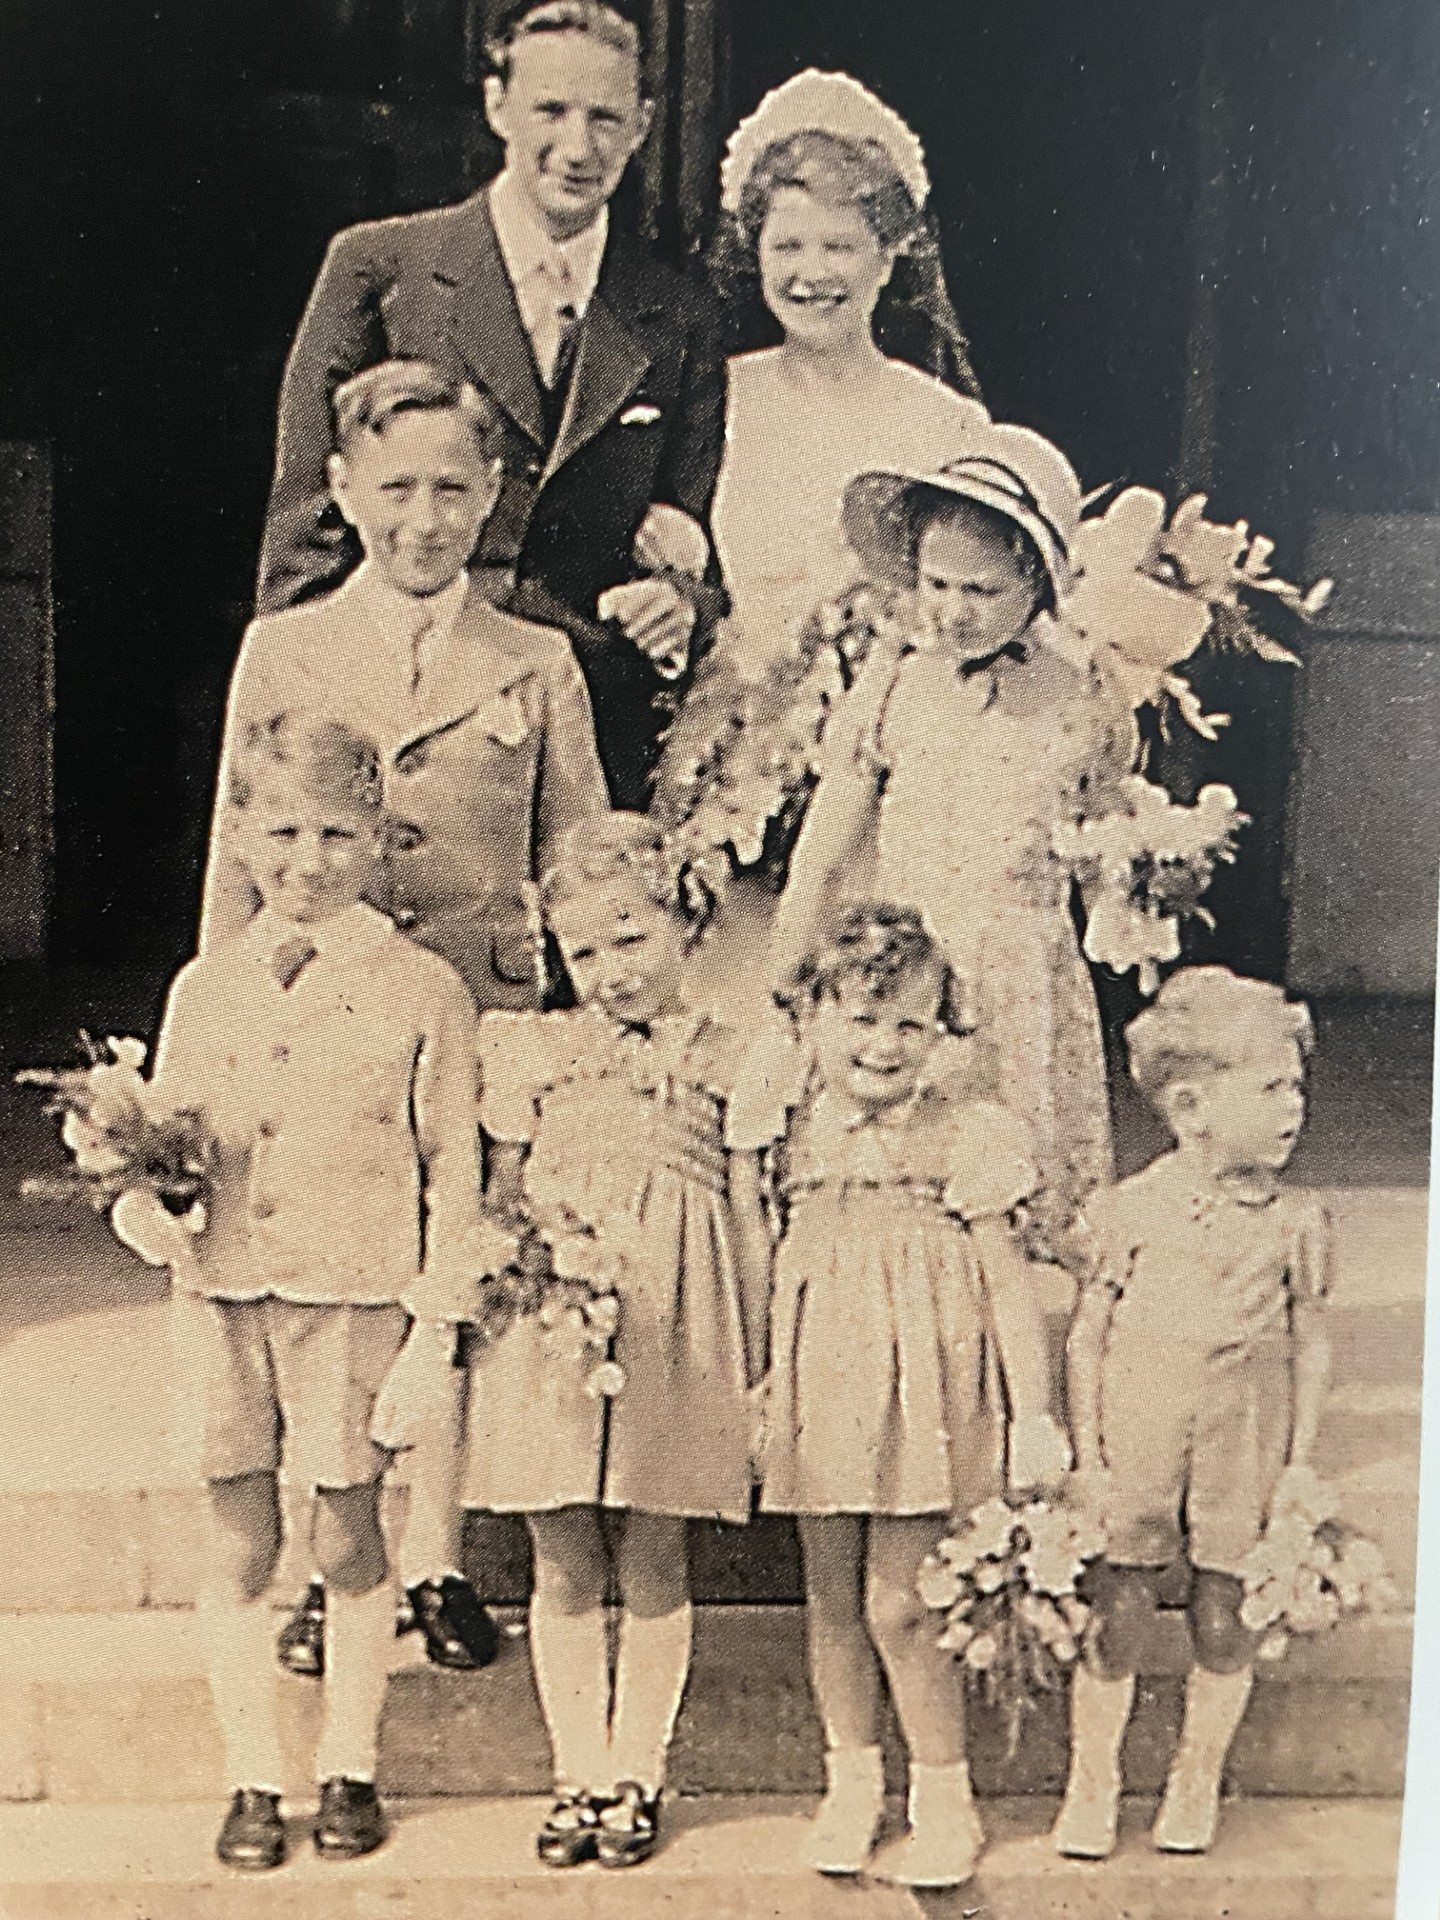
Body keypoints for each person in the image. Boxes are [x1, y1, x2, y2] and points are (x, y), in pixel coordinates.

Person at [201, 359, 609, 1681]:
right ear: (341, 491)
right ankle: (339, 1562)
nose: (423, 519)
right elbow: (236, 849)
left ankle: (436, 1559)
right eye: (394, 489)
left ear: (493, 494)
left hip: (482, 1011)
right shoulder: (286, 648)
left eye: (450, 489)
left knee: (458, 1265)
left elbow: (580, 854)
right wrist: (219, 1023)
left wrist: (580, 1029)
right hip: (329, 1020)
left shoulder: (536, 659)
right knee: (341, 1280)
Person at [113, 713, 485, 1871]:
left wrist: (435, 1330)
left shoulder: (422, 988)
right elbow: (166, 1143)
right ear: (239, 836)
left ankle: (348, 1765)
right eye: (281, 833)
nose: (308, 860)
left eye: (335, 833)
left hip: (355, 1298)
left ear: (378, 838)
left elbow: (454, 1170)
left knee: (347, 1528)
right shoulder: (205, 984)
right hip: (223, 1297)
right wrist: (155, 1206)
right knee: (238, 1536)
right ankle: (253, 1776)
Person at [394, 814, 768, 1868]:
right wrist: (472, 1307)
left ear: (687, 923)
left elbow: (747, 1217)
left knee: (653, 1549)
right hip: (550, 1317)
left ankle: (638, 1770)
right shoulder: (535, 1051)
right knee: (560, 1555)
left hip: (679, 1318)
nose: (611, 972)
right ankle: (579, 1770)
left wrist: (757, 1360)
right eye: (585, 951)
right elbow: (502, 1198)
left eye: (631, 938)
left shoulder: (735, 1054)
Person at [256, 0, 726, 808]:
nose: (578, 147)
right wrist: (310, 745)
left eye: (606, 118)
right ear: (498, 104)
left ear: (644, 126)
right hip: (401, 718)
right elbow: (307, 532)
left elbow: (699, 536)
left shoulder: (679, 316)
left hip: (589, 735)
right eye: (551, 110)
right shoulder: (382, 270)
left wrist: (677, 604)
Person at [727, 904, 1070, 1888]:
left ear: (939, 1032)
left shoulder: (967, 1133)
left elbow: (1006, 1283)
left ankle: (943, 1797)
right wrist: (760, 1383)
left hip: (924, 1386)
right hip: (821, 1380)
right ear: (813, 1021)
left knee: (902, 1605)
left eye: (910, 1024)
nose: (884, 1045)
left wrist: (1034, 1415)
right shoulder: (787, 1132)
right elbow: (757, 1260)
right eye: (862, 1020)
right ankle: (853, 1786)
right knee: (832, 1599)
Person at [769, 424, 1135, 1266]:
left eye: (983, 589)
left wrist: (1130, 893)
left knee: (1015, 1186)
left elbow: (1105, 844)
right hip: (908, 973)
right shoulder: (894, 685)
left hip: (1021, 978)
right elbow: (824, 849)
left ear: (1038, 585)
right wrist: (789, 962)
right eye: (936, 583)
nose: (953, 610)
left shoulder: (1080, 695)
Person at [1055, 968, 1331, 1861]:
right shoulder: (1129, 1210)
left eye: (1296, 1087)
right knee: (1122, 1601)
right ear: (1190, 1107)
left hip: (1239, 1437)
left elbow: (1311, 1344)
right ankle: (1093, 1779)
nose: (1294, 1107)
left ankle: (1197, 1773)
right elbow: (1088, 1338)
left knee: (1226, 1606)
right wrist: (1089, 1456)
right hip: (1140, 1428)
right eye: (1271, 1089)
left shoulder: (1297, 1221)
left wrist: (1298, 1463)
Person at [705, 69, 987, 679]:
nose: (811, 274)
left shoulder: (947, 423)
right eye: (787, 247)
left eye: (839, 248)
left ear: (886, 258)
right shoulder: (715, 398)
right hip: (731, 706)